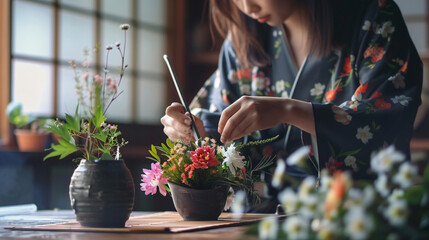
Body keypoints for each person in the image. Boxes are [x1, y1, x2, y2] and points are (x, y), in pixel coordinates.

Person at [161, 0, 422, 208]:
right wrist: (193, 129)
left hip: (355, 216)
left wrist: (287, 110)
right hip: (260, 222)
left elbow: (387, 119)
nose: (247, 7)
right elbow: (219, 125)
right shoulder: (244, 38)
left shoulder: (373, 18)